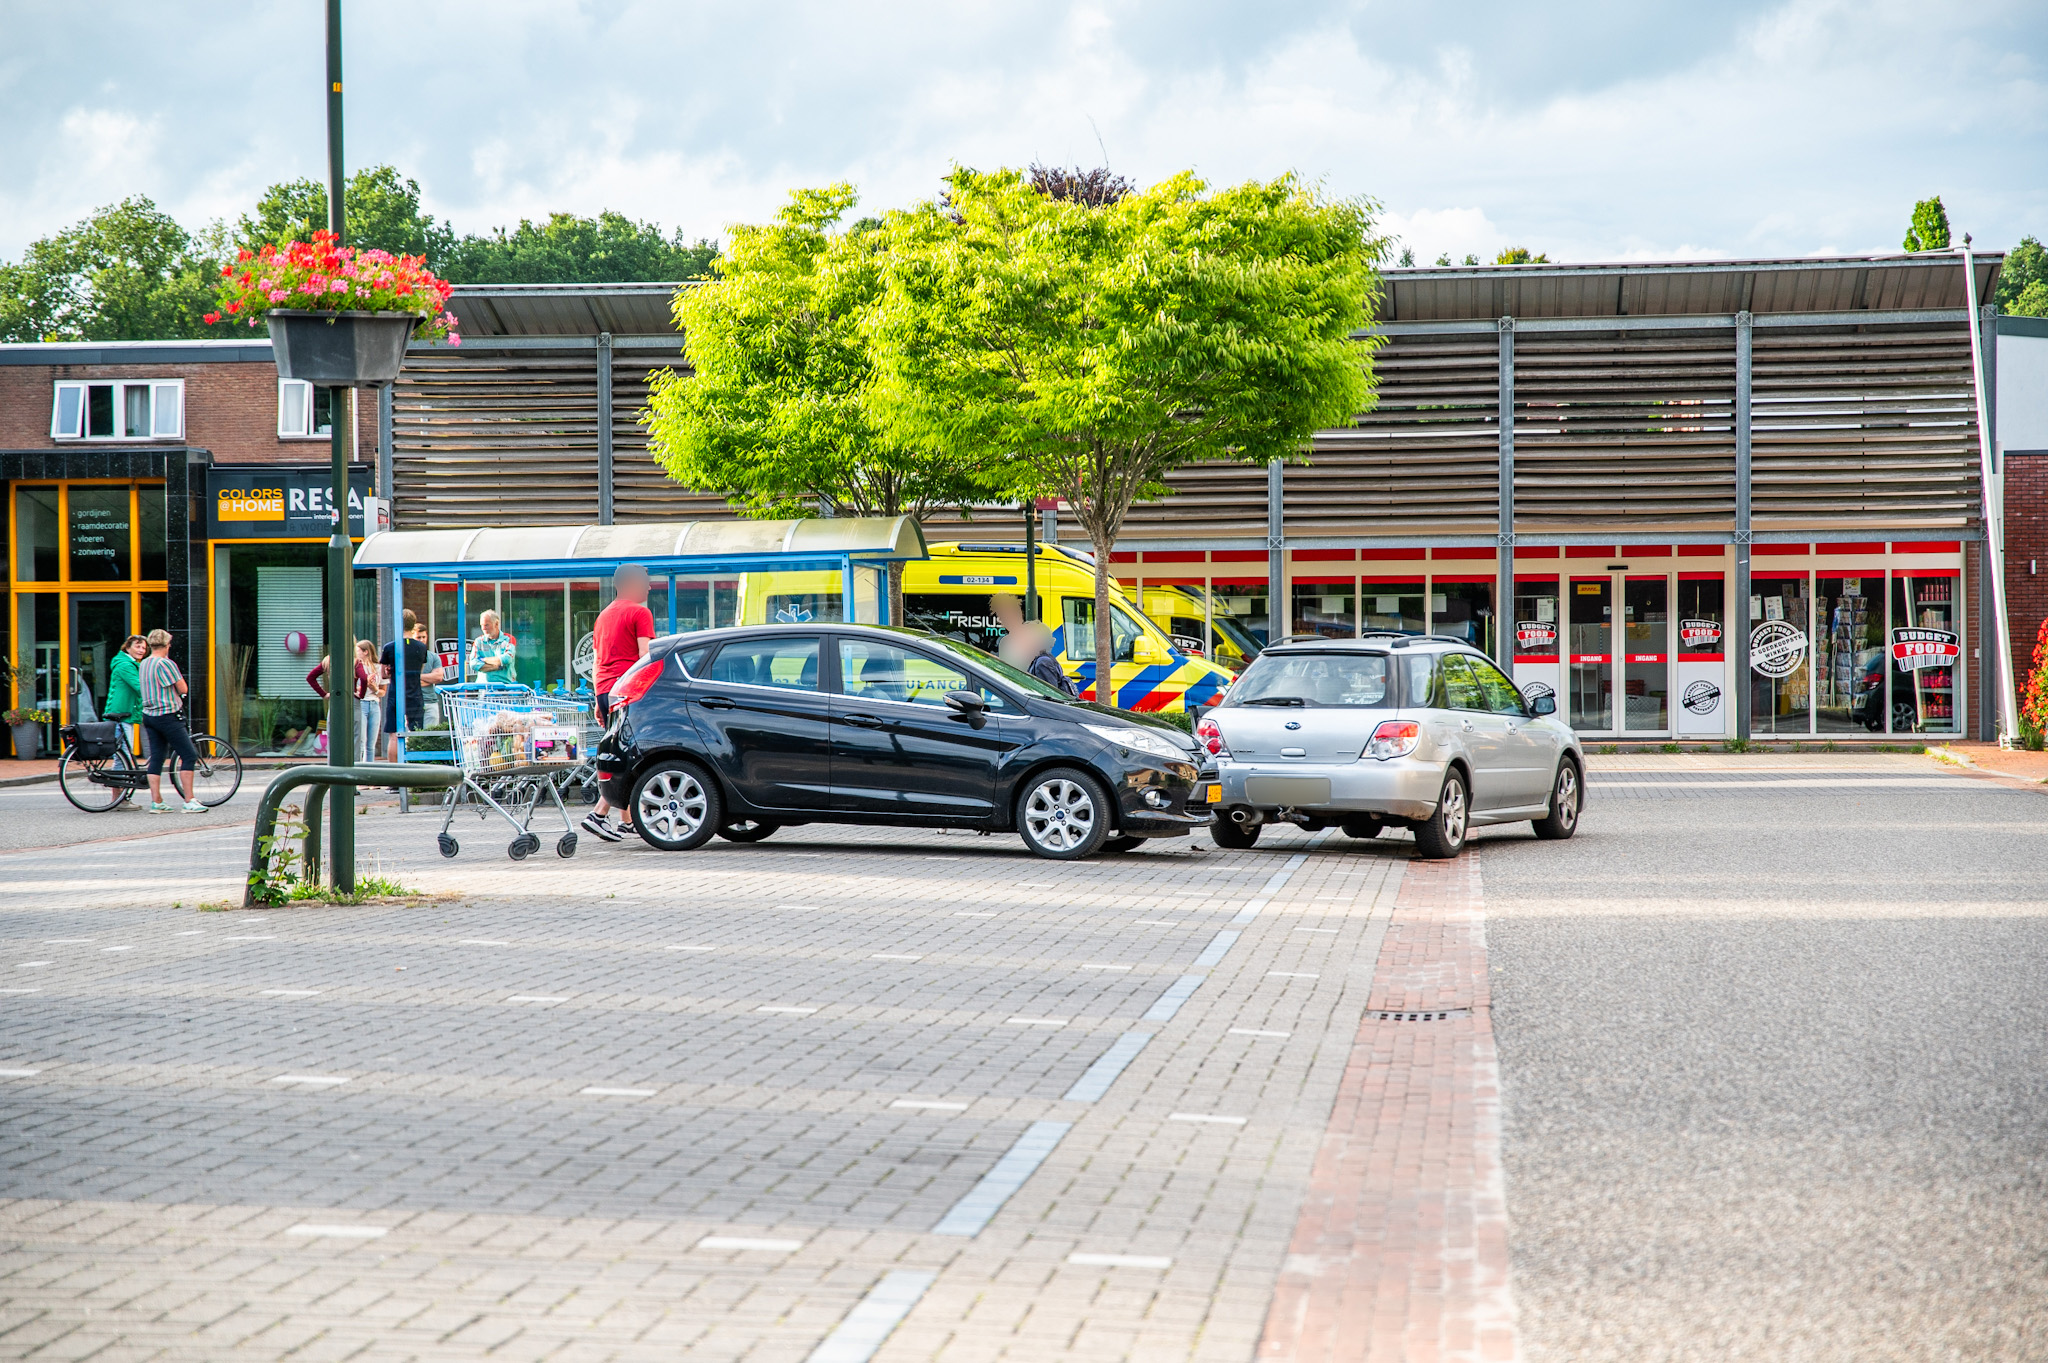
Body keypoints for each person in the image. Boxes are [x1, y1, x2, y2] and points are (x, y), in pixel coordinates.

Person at [580, 563, 655, 843]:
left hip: (605, 690)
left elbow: (597, 660)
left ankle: (627, 822)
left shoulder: (604, 616)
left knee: (620, 749)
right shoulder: (640, 612)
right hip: (627, 690)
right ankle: (598, 815)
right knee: (628, 754)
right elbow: (644, 656)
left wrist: (599, 701)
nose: (649, 587)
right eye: (645, 581)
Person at [138, 629, 203, 813]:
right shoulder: (165, 664)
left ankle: (156, 802)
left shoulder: (144, 664)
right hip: (168, 715)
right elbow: (183, 688)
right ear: (167, 645)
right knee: (189, 755)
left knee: (157, 757)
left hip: (149, 716)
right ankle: (189, 800)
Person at [380, 611, 447, 763]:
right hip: (415, 695)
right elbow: (419, 672)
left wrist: (393, 671)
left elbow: (383, 674)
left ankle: (395, 776)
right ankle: (416, 771)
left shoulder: (390, 647)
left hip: (396, 694)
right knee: (416, 733)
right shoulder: (421, 648)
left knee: (394, 735)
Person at [354, 639, 385, 764]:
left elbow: (383, 691)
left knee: (371, 743)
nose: (356, 654)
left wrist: (375, 689)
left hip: (374, 704)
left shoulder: (378, 668)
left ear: (366, 652)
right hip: (361, 704)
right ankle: (359, 770)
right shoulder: (356, 667)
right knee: (361, 740)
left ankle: (369, 774)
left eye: (358, 651)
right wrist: (365, 685)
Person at [469, 610, 518, 687]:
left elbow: (507, 659)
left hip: (505, 687)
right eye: (482, 625)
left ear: (496, 623)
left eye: (487, 625)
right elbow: (473, 664)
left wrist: (483, 659)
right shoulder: (478, 641)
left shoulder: (508, 639)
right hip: (483, 688)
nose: (483, 628)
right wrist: (497, 666)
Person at [104, 635, 146, 723]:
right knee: (122, 736)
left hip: (124, 712)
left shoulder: (132, 664)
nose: (141, 650)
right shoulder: (125, 665)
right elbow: (139, 687)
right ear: (127, 648)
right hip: (121, 714)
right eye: (137, 647)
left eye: (143, 648)